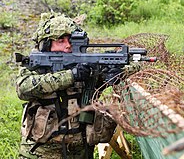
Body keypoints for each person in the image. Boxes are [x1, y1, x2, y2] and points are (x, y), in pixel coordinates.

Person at [16, 12, 140, 158]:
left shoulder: (85, 65)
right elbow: (23, 88)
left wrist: (114, 71)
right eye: (60, 40)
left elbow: (120, 73)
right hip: (41, 151)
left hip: (80, 150)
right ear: (46, 43)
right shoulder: (36, 65)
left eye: (71, 40)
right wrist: (72, 75)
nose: (68, 46)